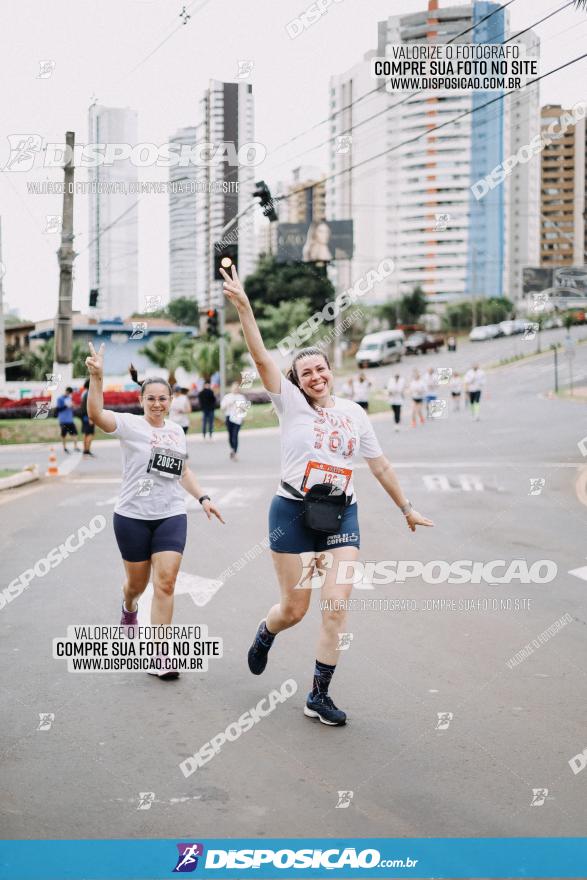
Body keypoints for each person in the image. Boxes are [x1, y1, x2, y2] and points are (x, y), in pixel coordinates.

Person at [220, 265, 433, 727]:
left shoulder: (356, 413)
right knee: (295, 609)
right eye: (305, 372)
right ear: (296, 381)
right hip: (292, 512)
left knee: (335, 605)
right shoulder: (290, 404)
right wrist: (244, 307)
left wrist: (407, 508)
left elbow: (379, 465)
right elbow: (260, 360)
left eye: (320, 369)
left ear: (331, 372)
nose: (314, 376)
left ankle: (318, 695)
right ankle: (266, 631)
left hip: (341, 514)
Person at [85, 342, 225, 680]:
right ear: (141, 400)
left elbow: (182, 471)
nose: (158, 404)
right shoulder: (131, 426)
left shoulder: (176, 431)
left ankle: (159, 654)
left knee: (165, 584)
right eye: (151, 399)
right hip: (132, 517)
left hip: (170, 514)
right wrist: (97, 378)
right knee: (136, 584)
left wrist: (203, 498)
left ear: (171, 400)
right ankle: (129, 608)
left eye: (163, 398)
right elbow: (95, 415)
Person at [220, 382, 248, 460]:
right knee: (230, 435)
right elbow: (222, 408)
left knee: (235, 435)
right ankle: (232, 449)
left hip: (238, 418)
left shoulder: (241, 397)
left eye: (237, 388)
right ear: (231, 388)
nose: (235, 389)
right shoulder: (227, 397)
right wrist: (228, 404)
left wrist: (242, 418)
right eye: (234, 388)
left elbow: (243, 409)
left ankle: (234, 452)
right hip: (229, 417)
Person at [56, 386, 80, 453]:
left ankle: (75, 447)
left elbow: (72, 408)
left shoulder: (69, 398)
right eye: (68, 393)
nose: (69, 394)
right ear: (66, 391)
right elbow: (58, 409)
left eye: (70, 394)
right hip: (63, 420)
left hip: (70, 419)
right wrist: (66, 405)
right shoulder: (60, 399)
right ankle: (64, 448)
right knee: (64, 434)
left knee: (74, 433)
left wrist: (73, 406)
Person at [79, 379, 95, 456]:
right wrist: (90, 418)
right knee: (90, 433)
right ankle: (87, 450)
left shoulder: (84, 393)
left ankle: (85, 450)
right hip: (88, 416)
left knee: (85, 433)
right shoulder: (89, 393)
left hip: (83, 416)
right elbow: (89, 406)